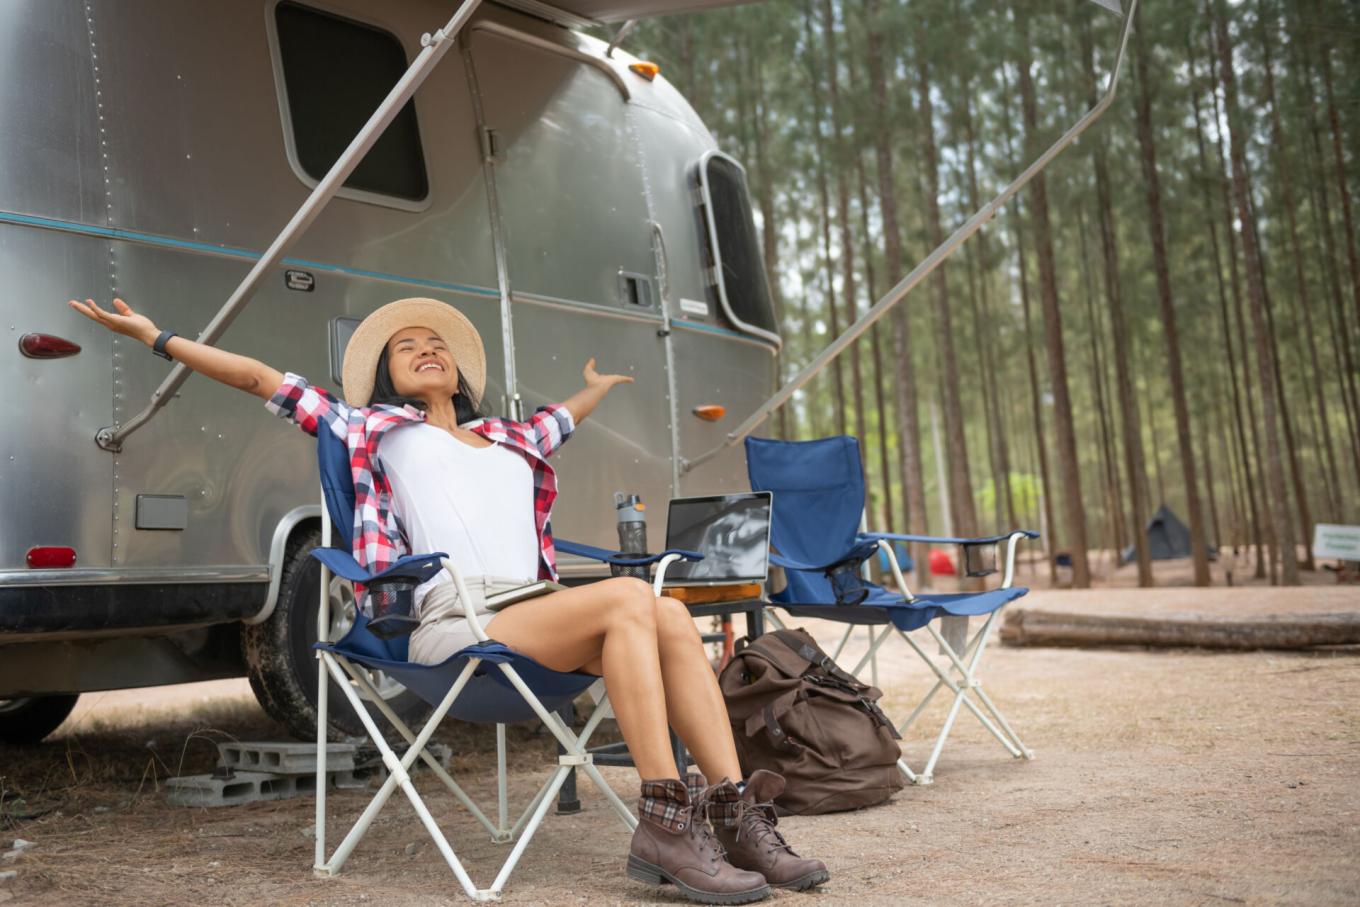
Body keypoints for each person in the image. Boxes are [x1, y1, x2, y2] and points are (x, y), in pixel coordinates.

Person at [70, 295, 828, 903]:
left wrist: (594, 390)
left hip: (534, 608)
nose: (426, 348)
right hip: (452, 620)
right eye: (407, 347)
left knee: (661, 609)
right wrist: (157, 337)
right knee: (633, 598)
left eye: (436, 343)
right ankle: (665, 819)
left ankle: (731, 812)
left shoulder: (509, 437)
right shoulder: (366, 427)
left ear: (459, 372)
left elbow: (564, 418)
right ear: (387, 379)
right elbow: (258, 378)